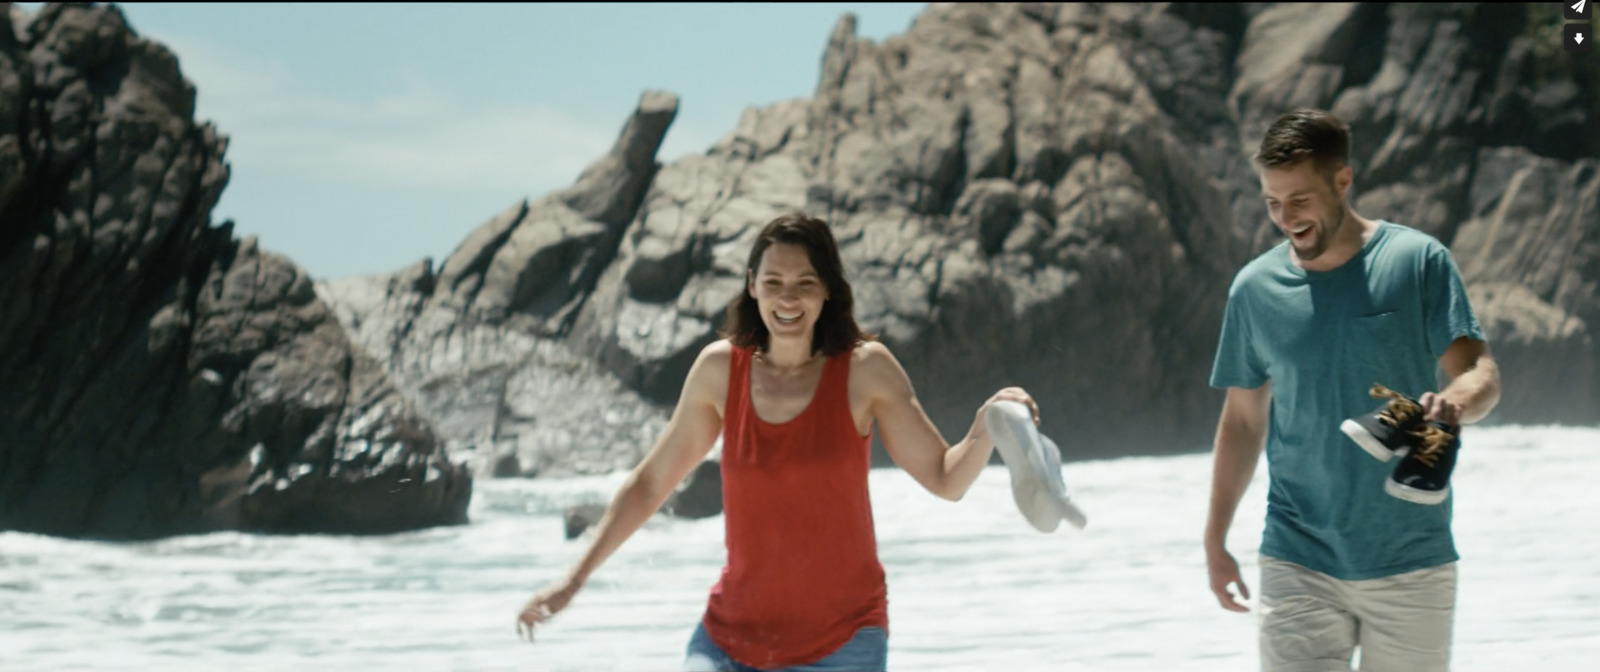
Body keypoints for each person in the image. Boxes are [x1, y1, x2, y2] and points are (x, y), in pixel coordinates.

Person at [515, 212, 1041, 672]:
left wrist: (985, 425)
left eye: (804, 283)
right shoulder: (719, 371)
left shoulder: (865, 372)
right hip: (730, 642)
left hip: (842, 643)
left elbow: (946, 479)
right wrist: (572, 582)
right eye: (774, 282)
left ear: (827, 289)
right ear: (751, 285)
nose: (787, 299)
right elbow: (651, 484)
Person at [1203, 108, 1502, 671]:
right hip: (1297, 556)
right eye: (1271, 202)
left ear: (1343, 180)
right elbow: (1242, 421)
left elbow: (1481, 373)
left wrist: (1453, 403)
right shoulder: (1254, 290)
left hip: (1412, 558)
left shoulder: (1417, 262)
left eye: (1299, 200)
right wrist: (1215, 540)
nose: (1285, 217)